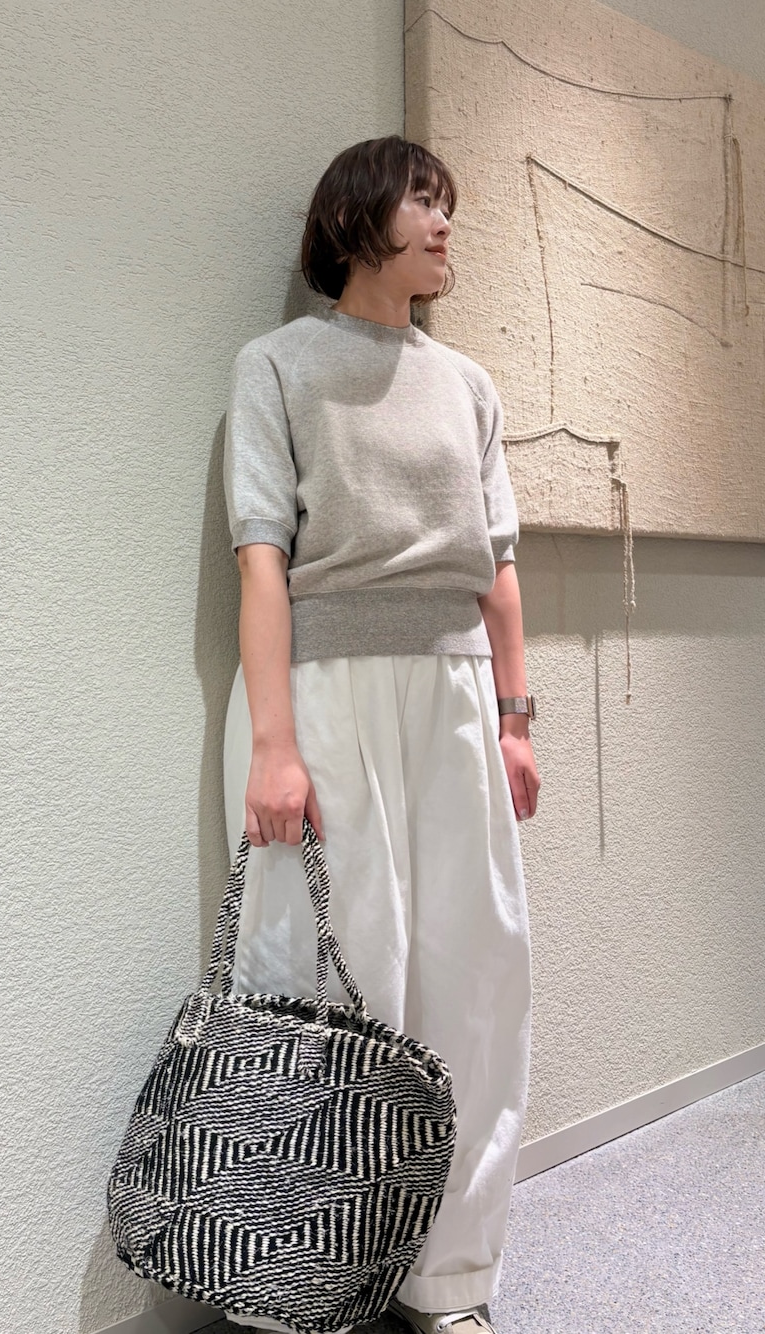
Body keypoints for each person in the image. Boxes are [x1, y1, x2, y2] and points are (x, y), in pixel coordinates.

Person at [221, 135, 537, 1334]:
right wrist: (273, 743)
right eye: (423, 201)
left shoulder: (467, 384)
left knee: (473, 972)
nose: (446, 225)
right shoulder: (276, 365)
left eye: (448, 206)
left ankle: (446, 1277)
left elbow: (497, 568)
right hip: (328, 691)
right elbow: (262, 559)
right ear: (357, 219)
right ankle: (301, 1280)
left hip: (456, 694)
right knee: (324, 974)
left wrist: (515, 717)